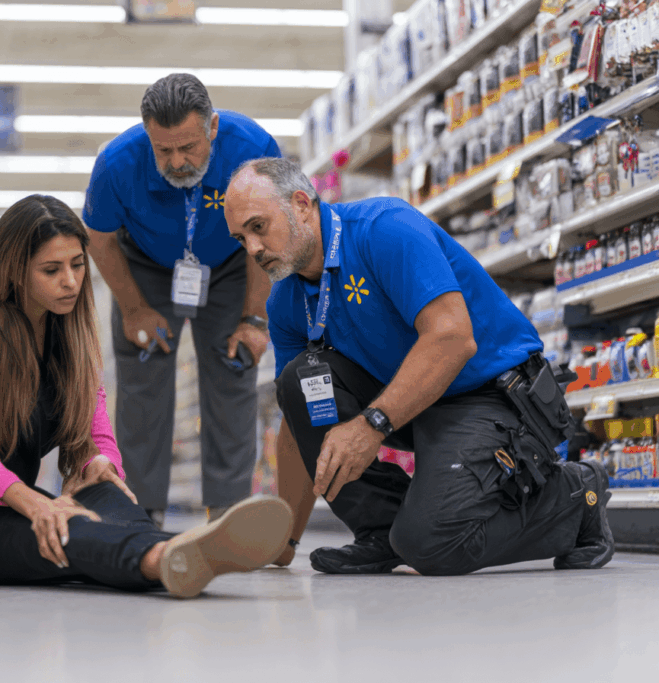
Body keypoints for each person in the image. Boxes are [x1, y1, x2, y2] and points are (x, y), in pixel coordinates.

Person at [222, 157, 614, 576]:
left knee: (433, 545)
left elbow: (453, 339)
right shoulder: (286, 301)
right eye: (241, 238)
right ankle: (381, 530)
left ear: (301, 204)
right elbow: (296, 422)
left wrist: (371, 424)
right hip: (418, 405)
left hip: (491, 395)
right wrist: (286, 539)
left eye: (258, 227)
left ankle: (577, 498)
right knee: (300, 381)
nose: (253, 249)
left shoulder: (384, 229)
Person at [0, 194, 293, 598]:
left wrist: (101, 465)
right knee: (62, 531)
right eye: (51, 270)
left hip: (6, 502)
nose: (70, 281)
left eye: (78, 264)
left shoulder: (70, 336)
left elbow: (96, 438)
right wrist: (42, 506)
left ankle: (176, 552)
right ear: (14, 272)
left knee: (100, 492)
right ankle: (163, 554)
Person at [83, 73, 281, 527]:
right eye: (163, 150)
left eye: (188, 147)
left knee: (233, 370)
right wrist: (134, 308)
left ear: (213, 127)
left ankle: (228, 515)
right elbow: (99, 238)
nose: (176, 162)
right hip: (145, 266)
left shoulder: (253, 149)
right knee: (143, 378)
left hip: (231, 263)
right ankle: (139, 514)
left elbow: (264, 233)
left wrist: (254, 318)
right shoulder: (117, 164)